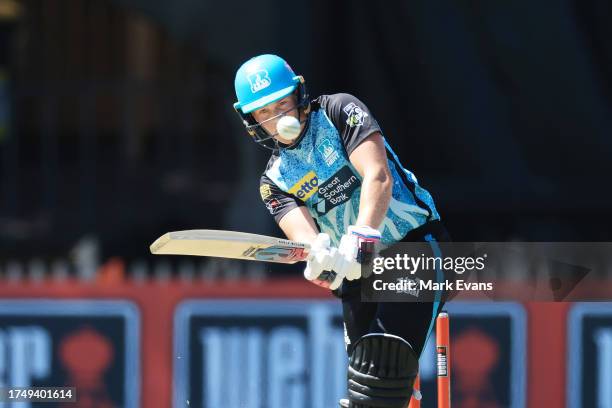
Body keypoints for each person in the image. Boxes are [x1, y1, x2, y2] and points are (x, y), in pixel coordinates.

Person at [233, 54, 451, 408]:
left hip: (414, 250)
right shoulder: (273, 180)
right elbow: (305, 236)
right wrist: (320, 259)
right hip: (357, 279)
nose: (279, 119)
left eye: (282, 103)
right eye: (264, 112)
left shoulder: (340, 112)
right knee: (371, 395)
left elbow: (378, 176)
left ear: (299, 95)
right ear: (252, 120)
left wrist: (364, 235)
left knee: (380, 382)